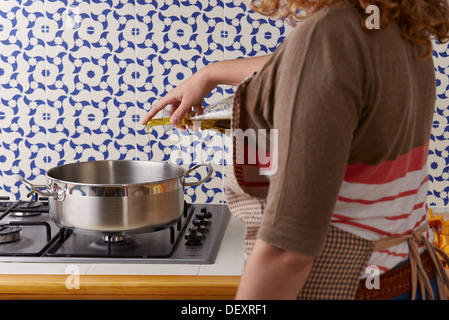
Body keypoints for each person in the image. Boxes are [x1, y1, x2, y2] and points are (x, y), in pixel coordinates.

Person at [142, 0, 449, 300]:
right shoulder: (395, 23)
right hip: (411, 275)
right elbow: (314, 65)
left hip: (344, 286)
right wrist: (210, 73)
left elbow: (287, 254)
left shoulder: (328, 39)